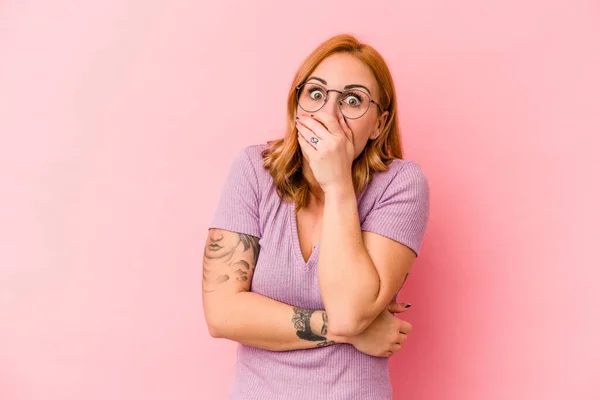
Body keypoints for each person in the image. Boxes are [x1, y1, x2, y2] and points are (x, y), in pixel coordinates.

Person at [202, 33, 430, 400]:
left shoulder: (401, 185)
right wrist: (350, 331)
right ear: (296, 107)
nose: (328, 114)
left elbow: (351, 310)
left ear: (378, 124)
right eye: (316, 94)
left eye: (353, 100)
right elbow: (222, 313)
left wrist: (338, 184)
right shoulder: (252, 170)